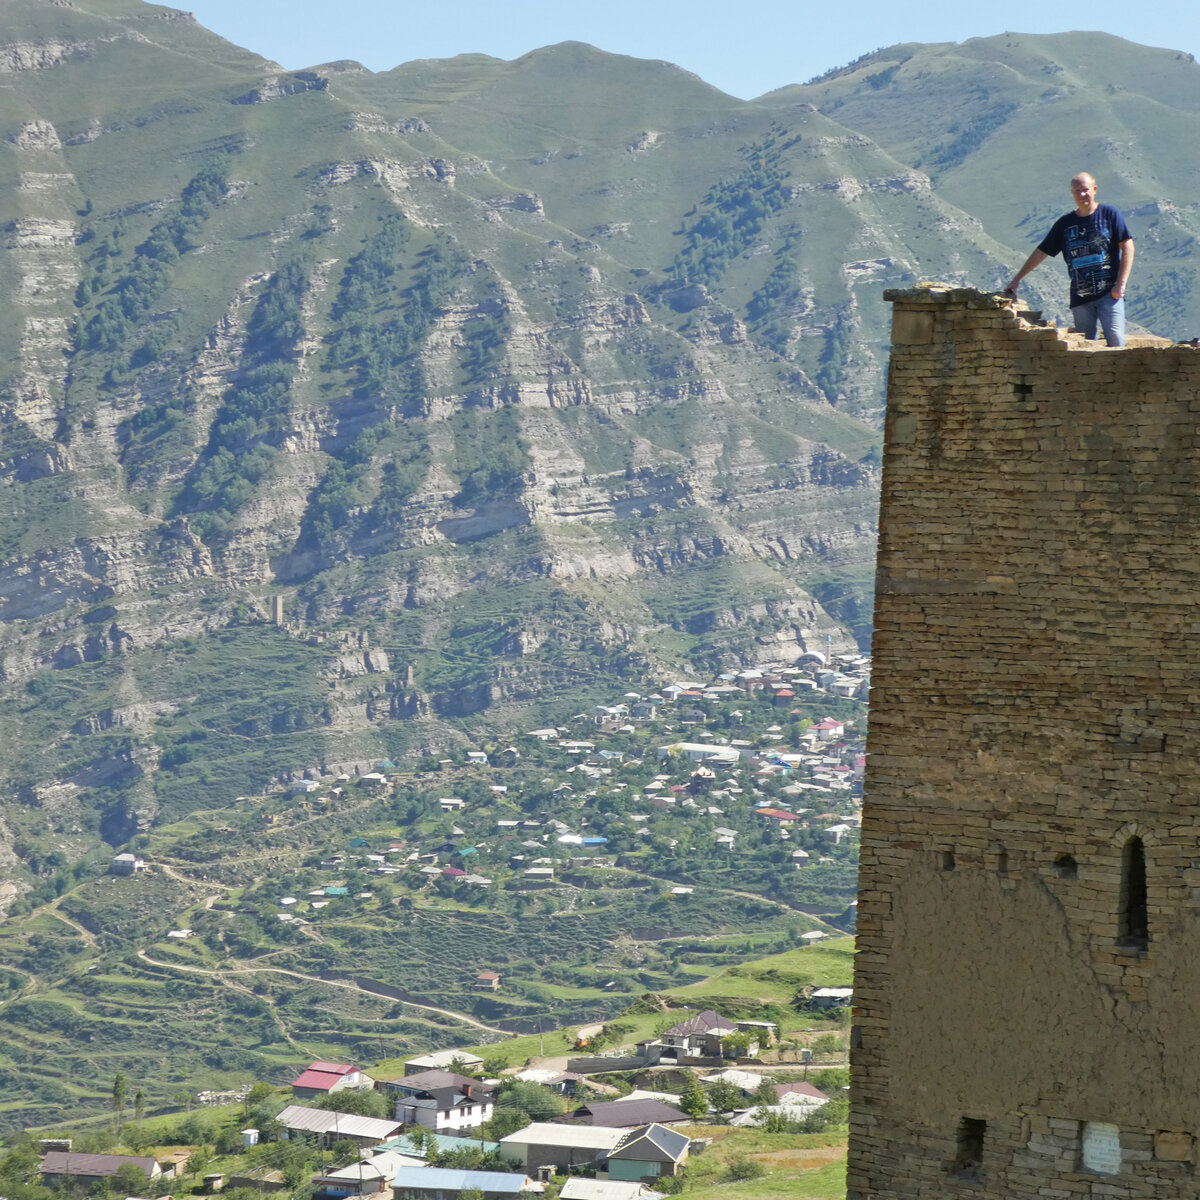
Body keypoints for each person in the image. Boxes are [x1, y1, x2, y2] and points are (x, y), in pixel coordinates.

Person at [1004, 172, 1134, 347]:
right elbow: (1042, 252)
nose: (1082, 195)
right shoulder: (1065, 224)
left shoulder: (1109, 215)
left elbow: (1127, 246)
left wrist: (1121, 284)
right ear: (1072, 194)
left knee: (1115, 339)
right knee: (1085, 346)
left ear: (1094, 190)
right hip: (1080, 299)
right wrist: (1017, 279)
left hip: (1109, 294)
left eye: (1085, 190)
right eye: (1077, 191)